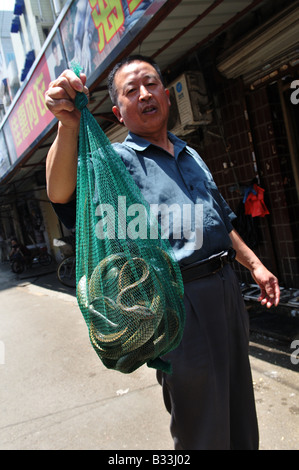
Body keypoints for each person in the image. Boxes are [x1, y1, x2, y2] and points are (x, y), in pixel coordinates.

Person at [45, 55, 280, 450]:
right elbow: (61, 193)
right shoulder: (117, 162)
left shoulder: (192, 155)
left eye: (150, 83)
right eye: (131, 90)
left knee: (240, 410)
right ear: (118, 113)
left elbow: (221, 223)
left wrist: (255, 265)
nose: (144, 94)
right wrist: (67, 128)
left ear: (167, 95)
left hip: (227, 291)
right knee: (201, 426)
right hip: (178, 303)